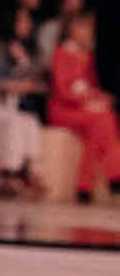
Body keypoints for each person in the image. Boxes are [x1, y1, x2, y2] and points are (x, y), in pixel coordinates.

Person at [47, 11, 120, 203]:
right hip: (63, 109)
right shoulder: (61, 53)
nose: (88, 32)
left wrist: (99, 98)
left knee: (103, 123)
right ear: (72, 29)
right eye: (84, 27)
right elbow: (63, 90)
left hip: (83, 110)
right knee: (105, 119)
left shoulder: (86, 55)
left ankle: (85, 187)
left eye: (90, 28)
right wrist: (88, 102)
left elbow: (90, 86)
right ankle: (113, 177)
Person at [0, 5, 48, 197]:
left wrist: (24, 62)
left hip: (14, 105)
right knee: (14, 122)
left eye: (29, 20)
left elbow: (37, 82)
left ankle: (31, 171)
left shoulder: (29, 49)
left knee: (30, 121)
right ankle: (11, 172)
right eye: (23, 20)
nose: (28, 25)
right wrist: (12, 85)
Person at [36, 0, 87, 72]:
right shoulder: (49, 28)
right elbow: (46, 62)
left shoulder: (86, 28)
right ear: (61, 2)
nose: (74, 4)